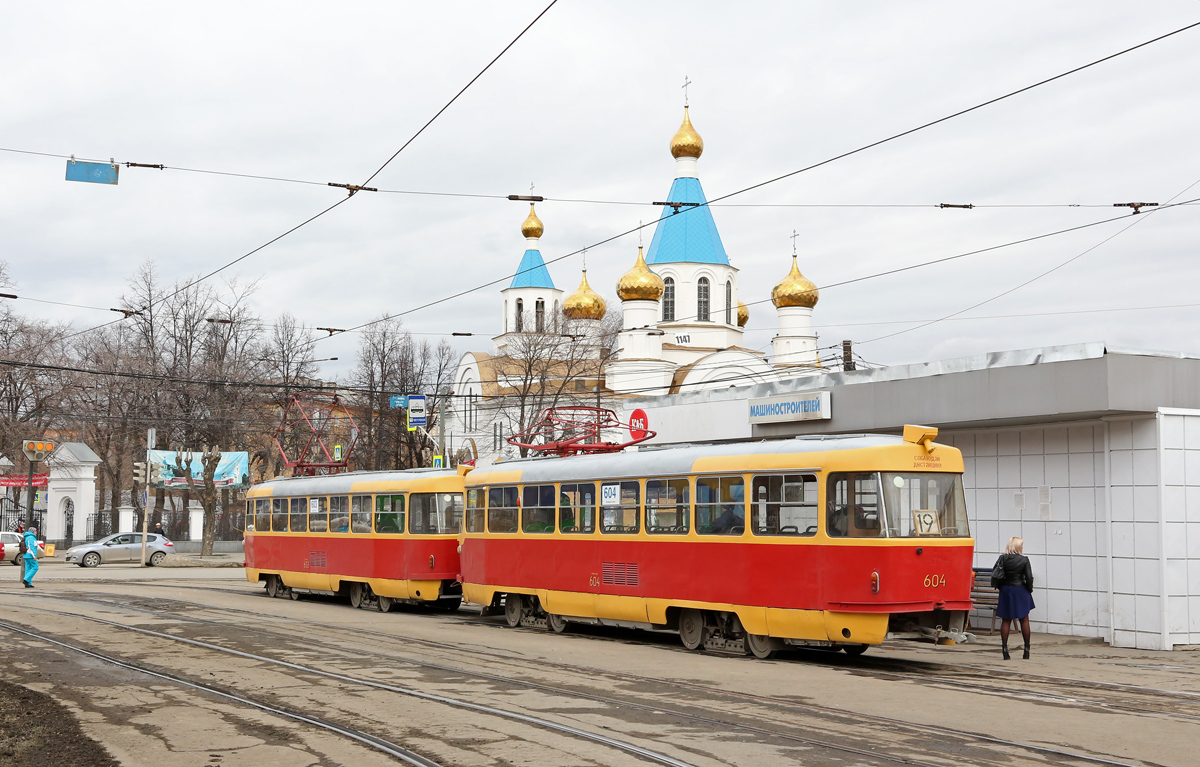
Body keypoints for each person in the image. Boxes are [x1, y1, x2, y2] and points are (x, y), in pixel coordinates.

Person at [993, 536, 1035, 660]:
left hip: (1006, 590)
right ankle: (1026, 650)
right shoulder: (1024, 560)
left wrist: (1001, 587)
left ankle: (1005, 650)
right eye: (1021, 545)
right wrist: (1029, 590)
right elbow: (1029, 578)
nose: (1022, 547)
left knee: (1006, 620)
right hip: (1020, 590)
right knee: (1024, 619)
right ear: (1018, 547)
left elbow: (996, 574)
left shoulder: (1002, 558)